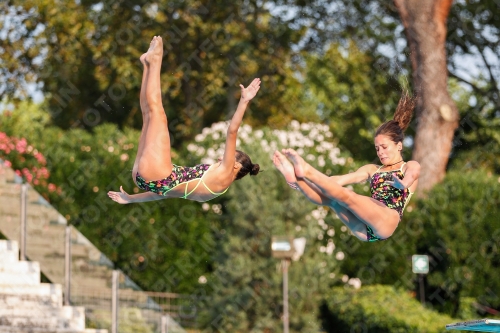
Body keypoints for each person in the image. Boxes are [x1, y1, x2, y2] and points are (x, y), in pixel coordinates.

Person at [108, 36, 261, 204]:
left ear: (236, 166)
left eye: (230, 156)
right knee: (149, 114)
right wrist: (130, 199)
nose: (221, 157)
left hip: (158, 173)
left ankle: (155, 60)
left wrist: (244, 101)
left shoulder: (225, 172)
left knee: (157, 112)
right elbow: (164, 192)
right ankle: (147, 64)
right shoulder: (215, 190)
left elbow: (232, 131)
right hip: (146, 179)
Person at [273, 93, 420, 242]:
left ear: (399, 145)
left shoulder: (408, 166)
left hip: (387, 220)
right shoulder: (372, 169)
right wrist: (309, 185)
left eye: (384, 147)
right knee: (332, 200)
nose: (380, 152)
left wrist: (403, 184)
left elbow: (412, 175)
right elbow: (341, 180)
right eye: (377, 149)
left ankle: (308, 171)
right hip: (364, 231)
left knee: (348, 196)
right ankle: (299, 180)